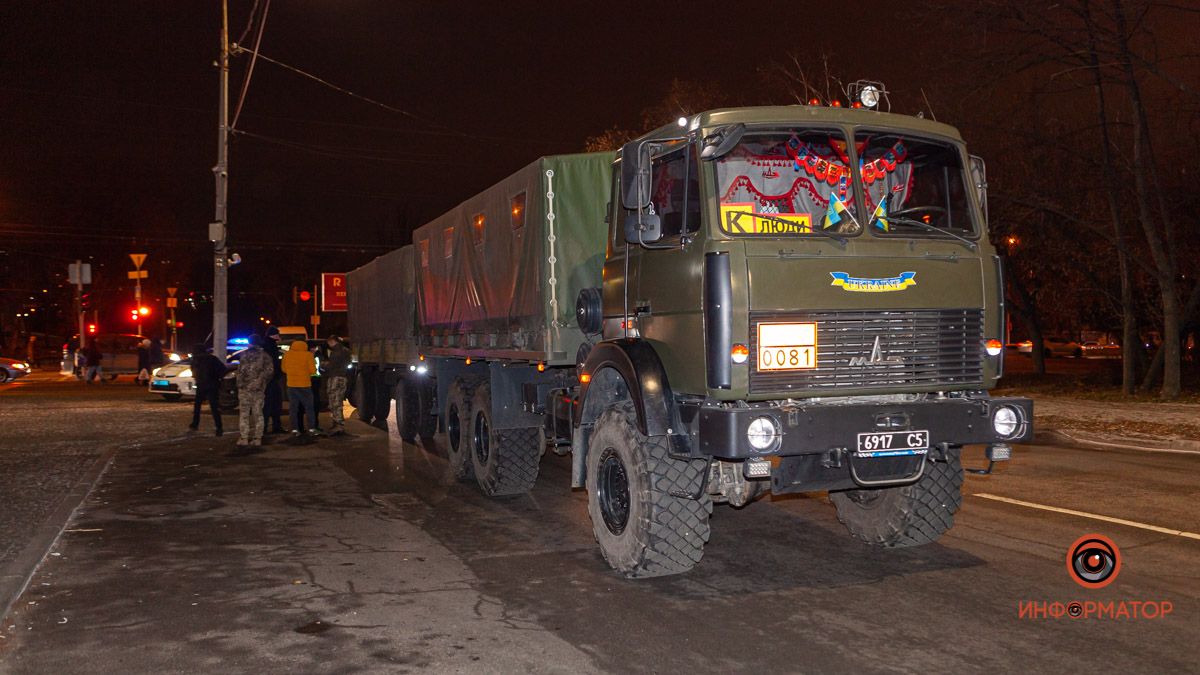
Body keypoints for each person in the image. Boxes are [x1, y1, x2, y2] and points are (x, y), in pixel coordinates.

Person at [234, 334, 274, 451]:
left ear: (249, 343)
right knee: (258, 413)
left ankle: (244, 437)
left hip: (244, 389)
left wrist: (240, 385)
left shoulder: (244, 355)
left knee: (244, 414)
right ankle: (257, 438)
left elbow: (240, 372)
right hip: (258, 390)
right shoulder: (265, 356)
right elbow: (270, 372)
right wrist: (260, 382)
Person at [281, 338, 318, 437]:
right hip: (305, 385)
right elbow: (313, 371)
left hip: (291, 385)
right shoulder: (308, 355)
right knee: (309, 407)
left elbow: (283, 369)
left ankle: (294, 429)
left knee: (293, 408)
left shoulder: (287, 354)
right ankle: (311, 429)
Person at [188, 343, 227, 436]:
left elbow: (193, 372)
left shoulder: (195, 360)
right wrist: (218, 378)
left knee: (197, 406)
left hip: (201, 385)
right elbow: (223, 370)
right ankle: (219, 427)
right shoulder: (212, 359)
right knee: (214, 407)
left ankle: (195, 424)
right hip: (212, 385)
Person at [323, 334, 352, 435]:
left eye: (329, 343)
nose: (329, 345)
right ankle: (337, 424)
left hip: (335, 377)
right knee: (338, 400)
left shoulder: (335, 352)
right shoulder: (346, 350)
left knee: (334, 401)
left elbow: (331, 366)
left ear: (332, 341)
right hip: (343, 377)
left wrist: (324, 365)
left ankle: (338, 425)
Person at [261, 327, 285, 434]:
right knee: (273, 403)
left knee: (270, 404)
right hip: (271, 380)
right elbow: (274, 363)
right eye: (277, 334)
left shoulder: (266, 345)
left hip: (268, 379)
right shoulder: (271, 347)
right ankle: (273, 426)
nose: (279, 336)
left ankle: (266, 427)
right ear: (273, 335)